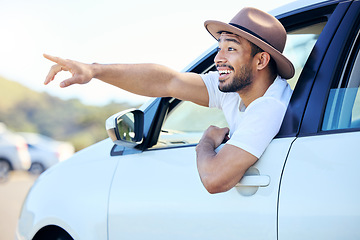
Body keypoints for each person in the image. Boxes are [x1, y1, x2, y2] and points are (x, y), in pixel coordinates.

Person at [44, 7, 294, 194]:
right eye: (219, 47)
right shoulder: (234, 90)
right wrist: (94, 70)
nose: (218, 58)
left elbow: (215, 179)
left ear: (260, 61)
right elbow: (168, 81)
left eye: (231, 49)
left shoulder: (269, 107)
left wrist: (205, 143)